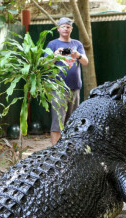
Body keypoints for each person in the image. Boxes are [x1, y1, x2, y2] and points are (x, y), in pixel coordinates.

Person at [45, 17, 89, 145]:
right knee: (58, 122)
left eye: (68, 26)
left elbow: (85, 62)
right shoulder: (52, 45)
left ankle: (68, 152)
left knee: (73, 122)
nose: (65, 28)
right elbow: (45, 65)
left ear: (71, 29)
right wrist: (55, 56)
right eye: (63, 26)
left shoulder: (77, 44)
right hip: (58, 89)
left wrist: (77, 55)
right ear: (58, 29)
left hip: (75, 89)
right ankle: (55, 153)